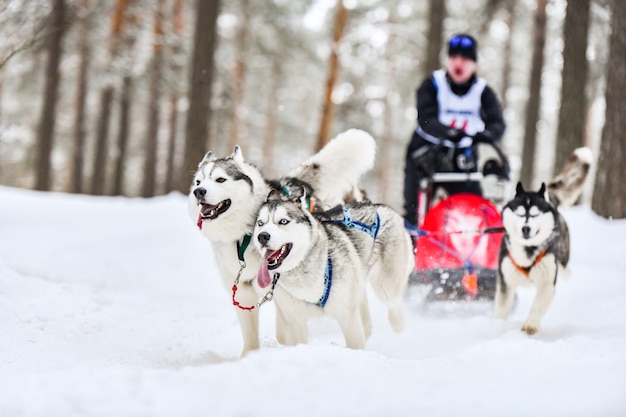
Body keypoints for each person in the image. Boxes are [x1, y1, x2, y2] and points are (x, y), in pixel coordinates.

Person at [402, 33, 506, 229]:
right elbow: (425, 119)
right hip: (425, 155)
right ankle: (414, 246)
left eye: (465, 59)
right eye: (454, 58)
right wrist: (449, 132)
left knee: (472, 210)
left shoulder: (483, 92)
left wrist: (485, 135)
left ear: (474, 63)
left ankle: (470, 253)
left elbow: (498, 125)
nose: (459, 63)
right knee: (415, 210)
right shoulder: (432, 84)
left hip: (462, 159)